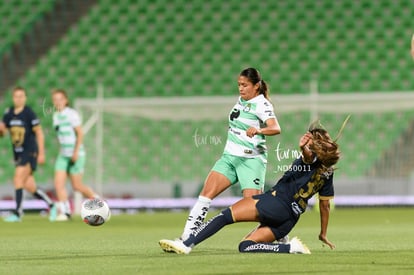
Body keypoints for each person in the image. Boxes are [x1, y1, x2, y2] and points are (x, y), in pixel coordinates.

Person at [159, 120, 340, 254]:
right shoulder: (327, 172)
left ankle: (186, 244)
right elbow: (324, 206)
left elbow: (308, 158)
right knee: (246, 246)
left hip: (275, 203)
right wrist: (323, 233)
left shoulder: (308, 158)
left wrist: (303, 149)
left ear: (314, 145)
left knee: (224, 216)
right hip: (289, 220)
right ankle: (290, 247)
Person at [178, 68, 281, 240]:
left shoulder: (263, 104)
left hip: (251, 160)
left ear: (256, 86)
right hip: (229, 158)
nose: (241, 88)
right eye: (239, 85)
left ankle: (277, 229)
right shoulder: (241, 99)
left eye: (245, 85)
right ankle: (187, 237)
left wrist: (258, 130)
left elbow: (276, 128)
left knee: (253, 207)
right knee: (205, 195)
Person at [0, 87, 57, 222]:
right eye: (16, 96)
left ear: (25, 98)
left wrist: (41, 153)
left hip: (30, 151)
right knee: (30, 186)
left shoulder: (29, 113)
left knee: (17, 179)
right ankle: (52, 205)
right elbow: (3, 133)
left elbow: (39, 133)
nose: (19, 99)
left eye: (21, 96)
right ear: (13, 98)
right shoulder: (8, 113)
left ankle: (18, 213)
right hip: (17, 154)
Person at [50, 89, 98, 221]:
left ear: (66, 101)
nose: (57, 102)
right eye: (55, 99)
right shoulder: (55, 116)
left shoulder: (72, 114)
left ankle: (98, 202)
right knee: (58, 184)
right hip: (63, 155)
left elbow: (80, 133)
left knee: (77, 186)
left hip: (76, 153)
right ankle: (65, 213)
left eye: (60, 99)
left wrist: (75, 152)